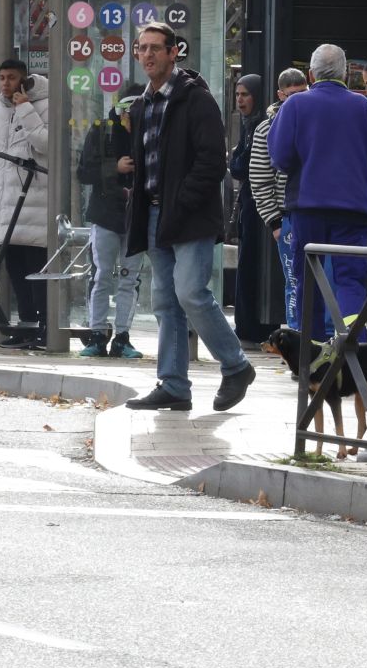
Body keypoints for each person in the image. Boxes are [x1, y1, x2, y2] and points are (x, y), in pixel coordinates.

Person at [120, 23, 256, 412]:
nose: (147, 55)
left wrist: (182, 201)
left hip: (190, 215)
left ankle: (236, 365)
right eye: (141, 48)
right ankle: (174, 385)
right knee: (164, 301)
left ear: (173, 52)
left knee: (191, 293)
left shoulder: (196, 100)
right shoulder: (142, 103)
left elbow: (212, 161)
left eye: (155, 49)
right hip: (154, 213)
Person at [267, 43, 367, 340]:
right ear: (346, 75)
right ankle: (355, 348)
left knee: (308, 280)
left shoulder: (294, 106)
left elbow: (279, 158)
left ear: (310, 74)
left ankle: (313, 353)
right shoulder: (365, 107)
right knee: (351, 280)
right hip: (354, 209)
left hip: (308, 208)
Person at [0, 60, 52, 349]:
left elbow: (46, 144)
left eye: (11, 78)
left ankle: (44, 327)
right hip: (7, 203)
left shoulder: (43, 104)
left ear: (25, 80)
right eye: (2, 78)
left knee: (36, 268)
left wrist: (25, 108)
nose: (5, 84)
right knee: (15, 267)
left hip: (35, 199)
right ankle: (27, 325)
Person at [77, 82, 143, 358]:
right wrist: (113, 168)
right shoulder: (102, 131)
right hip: (105, 213)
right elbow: (83, 172)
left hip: (135, 214)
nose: (128, 120)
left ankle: (122, 335)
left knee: (130, 277)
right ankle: (97, 333)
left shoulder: (149, 133)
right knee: (102, 274)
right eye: (124, 112)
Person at [248, 69, 309, 332]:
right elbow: (260, 178)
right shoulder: (267, 128)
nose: (296, 100)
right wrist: (274, 222)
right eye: (291, 95)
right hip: (287, 217)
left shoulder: (313, 120)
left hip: (308, 210)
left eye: (301, 94)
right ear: (280, 94)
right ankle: (297, 337)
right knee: (295, 281)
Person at [227, 73, 267, 345]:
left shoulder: (260, 126)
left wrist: (237, 159)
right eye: (237, 95)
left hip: (260, 206)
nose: (240, 100)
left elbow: (241, 166)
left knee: (253, 263)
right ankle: (246, 325)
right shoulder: (247, 126)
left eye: (245, 95)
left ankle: (253, 326)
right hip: (250, 205)